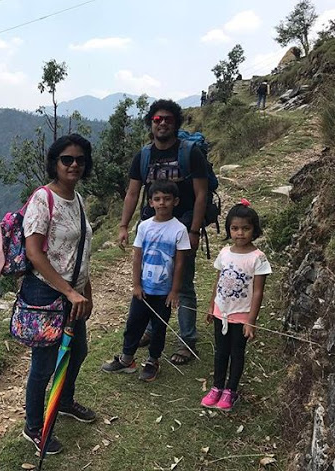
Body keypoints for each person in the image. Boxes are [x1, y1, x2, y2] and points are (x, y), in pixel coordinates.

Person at [117, 99, 209, 365]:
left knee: (183, 284)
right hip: (153, 227)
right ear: (151, 124)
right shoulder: (144, 156)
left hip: (182, 226)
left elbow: (201, 194)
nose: (163, 123)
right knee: (150, 278)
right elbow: (133, 192)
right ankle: (150, 328)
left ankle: (186, 340)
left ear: (176, 123)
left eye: (168, 119)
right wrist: (124, 225)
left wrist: (194, 230)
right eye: (157, 120)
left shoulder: (190, 153)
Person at [21, 133, 96, 455]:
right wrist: (68, 290)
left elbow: (79, 250)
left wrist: (85, 290)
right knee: (44, 363)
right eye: (67, 159)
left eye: (80, 159)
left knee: (77, 351)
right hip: (46, 293)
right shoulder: (43, 199)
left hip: (73, 293)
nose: (74, 164)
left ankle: (63, 401)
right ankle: (34, 427)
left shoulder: (77, 199)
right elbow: (35, 253)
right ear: (55, 163)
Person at [101, 180, 190, 381]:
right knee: (134, 324)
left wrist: (174, 291)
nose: (162, 203)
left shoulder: (179, 229)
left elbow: (180, 263)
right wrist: (137, 285)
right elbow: (137, 257)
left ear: (175, 201)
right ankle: (126, 359)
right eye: (157, 199)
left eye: (167, 199)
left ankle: (153, 360)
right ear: (150, 202)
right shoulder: (144, 226)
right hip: (143, 290)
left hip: (164, 292)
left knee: (159, 328)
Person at [201, 200, 271, 411]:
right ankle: (217, 387)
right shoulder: (224, 253)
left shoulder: (258, 258)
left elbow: (258, 292)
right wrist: (212, 305)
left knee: (236, 352)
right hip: (221, 311)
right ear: (229, 229)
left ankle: (231, 390)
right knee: (220, 351)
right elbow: (218, 281)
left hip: (241, 315)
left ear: (254, 230)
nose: (240, 233)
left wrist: (251, 321)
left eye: (245, 228)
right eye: (235, 228)